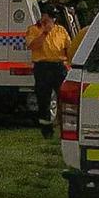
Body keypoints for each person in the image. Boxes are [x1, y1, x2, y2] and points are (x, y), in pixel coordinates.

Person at [25, 8, 71, 139]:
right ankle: (47, 131)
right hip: (42, 67)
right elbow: (32, 46)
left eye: (51, 17)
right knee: (44, 99)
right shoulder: (33, 29)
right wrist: (45, 32)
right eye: (46, 17)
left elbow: (68, 47)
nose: (48, 20)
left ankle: (65, 129)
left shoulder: (61, 30)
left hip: (59, 67)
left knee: (64, 98)